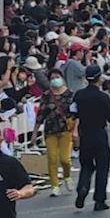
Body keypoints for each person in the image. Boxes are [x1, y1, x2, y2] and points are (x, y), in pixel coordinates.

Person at [69, 64, 110, 211]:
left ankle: (82, 187)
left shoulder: (79, 95)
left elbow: (73, 112)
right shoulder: (103, 97)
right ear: (98, 78)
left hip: (85, 134)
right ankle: (99, 200)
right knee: (102, 168)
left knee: (86, 166)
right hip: (99, 134)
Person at [38, 68, 74, 197]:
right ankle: (54, 185)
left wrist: (76, 130)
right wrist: (34, 133)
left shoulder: (70, 94)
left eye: (57, 77)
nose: (55, 80)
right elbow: (41, 114)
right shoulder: (46, 95)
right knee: (52, 158)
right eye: (52, 78)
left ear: (62, 78)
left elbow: (75, 113)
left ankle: (67, 176)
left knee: (65, 159)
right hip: (50, 130)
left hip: (65, 130)